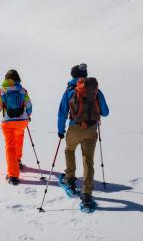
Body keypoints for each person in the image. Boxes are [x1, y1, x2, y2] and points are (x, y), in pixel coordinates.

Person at [57, 63, 109, 208]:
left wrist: (60, 130)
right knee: (88, 160)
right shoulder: (96, 90)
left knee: (69, 150)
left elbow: (62, 112)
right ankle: (86, 194)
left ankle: (70, 180)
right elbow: (105, 112)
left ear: (72, 75)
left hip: (75, 128)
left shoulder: (69, 90)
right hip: (92, 129)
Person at [0, 69, 32, 185]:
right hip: (22, 121)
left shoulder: (1, 91)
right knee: (19, 137)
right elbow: (29, 106)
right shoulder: (22, 90)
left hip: (8, 122)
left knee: (10, 145)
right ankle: (18, 160)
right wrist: (27, 115)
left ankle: (13, 175)